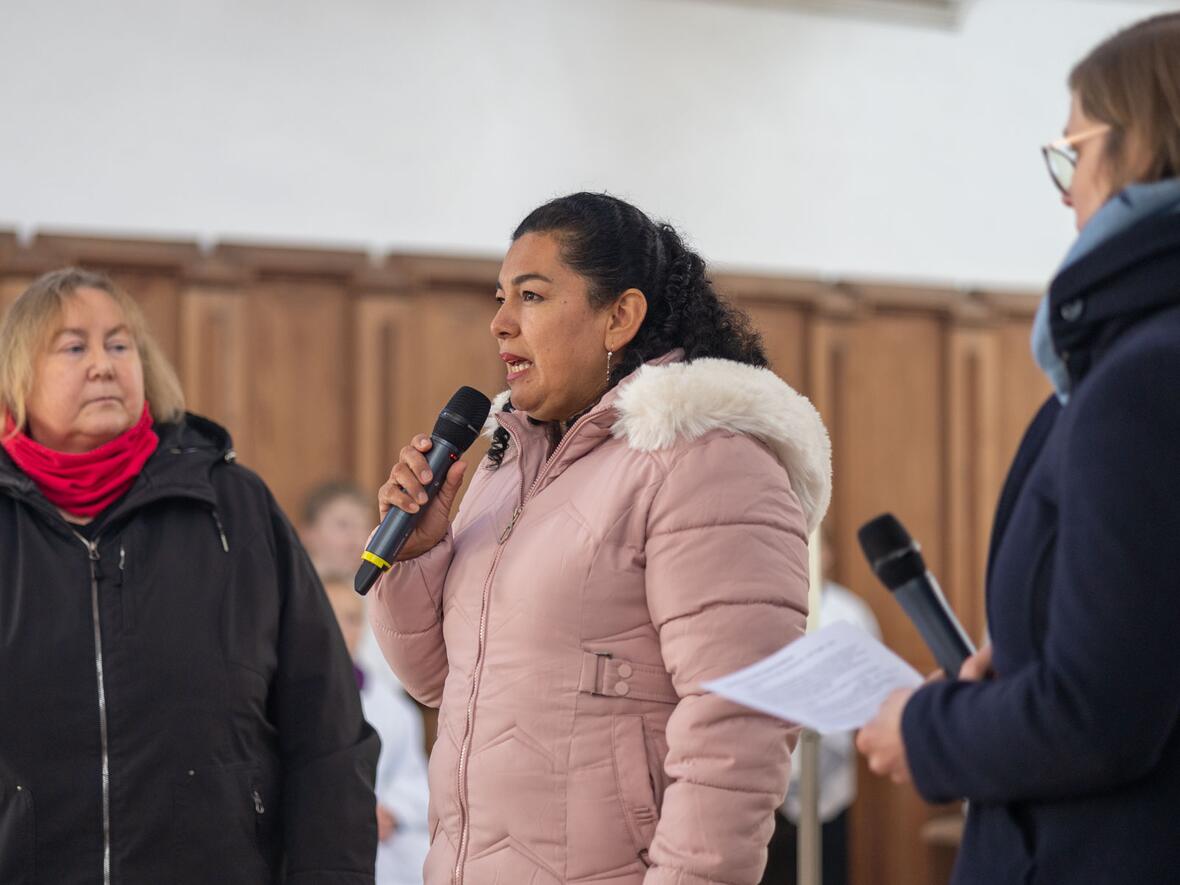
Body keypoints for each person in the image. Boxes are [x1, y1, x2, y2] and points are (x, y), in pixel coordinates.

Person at [368, 192, 832, 885]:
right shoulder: (505, 463)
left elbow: (739, 726)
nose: (499, 323)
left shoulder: (707, 457)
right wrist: (418, 553)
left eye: (531, 295)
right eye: (501, 297)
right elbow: (439, 678)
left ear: (620, 315)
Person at [857, 14, 1180, 885]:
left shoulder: (1147, 374)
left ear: (1138, 146)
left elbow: (1100, 713)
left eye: (1071, 152)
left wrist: (923, 732)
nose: (1064, 190)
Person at [0, 268, 379, 884]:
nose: (103, 364)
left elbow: (328, 734)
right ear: (18, 373)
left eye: (120, 344)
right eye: (74, 346)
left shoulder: (234, 508)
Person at [761, 537, 880, 885]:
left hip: (827, 773)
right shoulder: (767, 608)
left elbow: (869, 682)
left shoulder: (849, 612)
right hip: (771, 771)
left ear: (828, 554)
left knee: (826, 868)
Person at [323, 573, 431, 885]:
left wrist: (392, 811)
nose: (342, 629)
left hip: (378, 845)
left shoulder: (392, 707)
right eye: (331, 615)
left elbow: (413, 777)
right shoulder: (285, 699)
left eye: (352, 619)